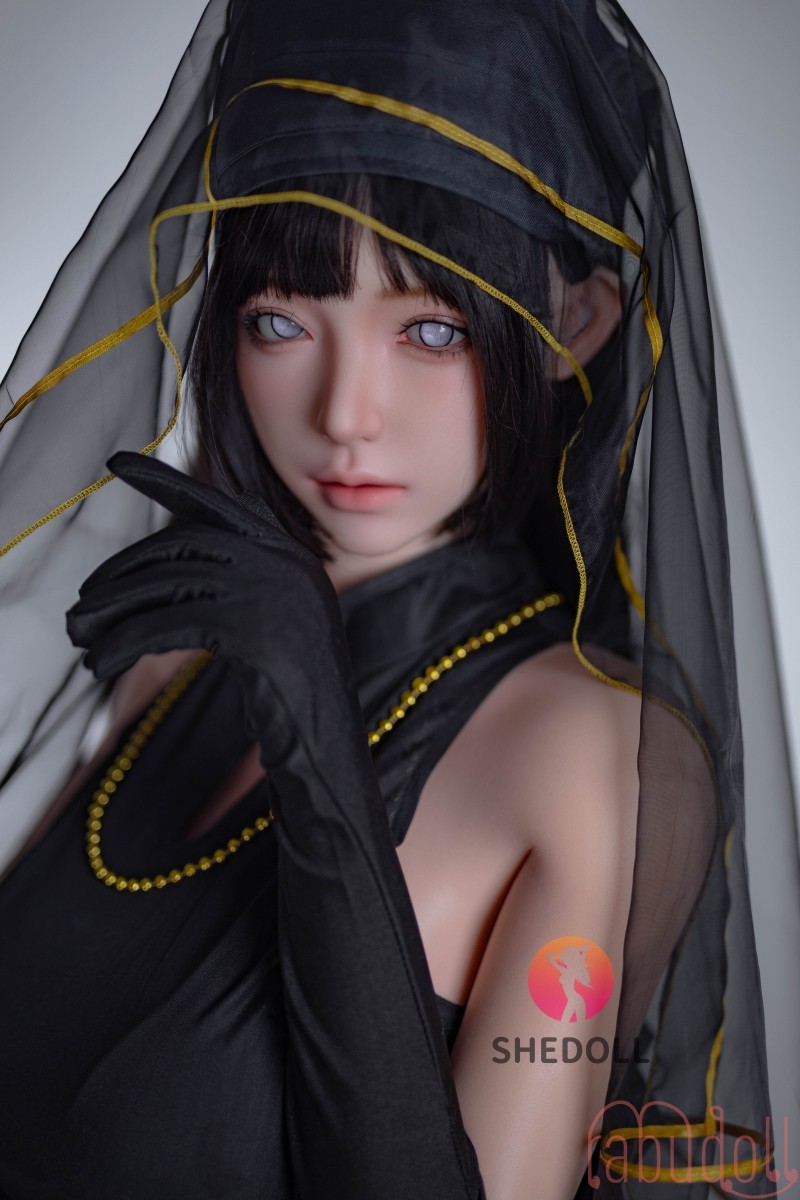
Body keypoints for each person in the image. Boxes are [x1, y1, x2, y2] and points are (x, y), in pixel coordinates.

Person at [0, 1, 788, 1197]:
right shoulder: (176, 660)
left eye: (429, 329)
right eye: (279, 321)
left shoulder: (599, 764)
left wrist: (322, 758)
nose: (343, 415)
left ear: (572, 322)